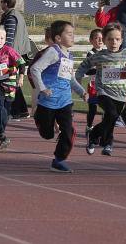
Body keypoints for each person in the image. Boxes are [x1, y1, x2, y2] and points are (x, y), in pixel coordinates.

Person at [76, 23, 126, 157]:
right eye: (110, 39)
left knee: (110, 119)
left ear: (122, 40)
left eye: (117, 39)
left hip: (120, 95)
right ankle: (99, 137)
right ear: (105, 40)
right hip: (103, 92)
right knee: (112, 115)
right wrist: (78, 81)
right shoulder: (100, 55)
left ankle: (101, 141)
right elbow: (83, 67)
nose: (114, 42)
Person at [28, 21, 86, 173]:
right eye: (69, 33)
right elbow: (35, 69)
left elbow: (70, 79)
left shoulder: (70, 56)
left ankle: (59, 160)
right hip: (48, 101)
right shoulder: (53, 52)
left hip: (65, 101)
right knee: (47, 134)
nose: (73, 36)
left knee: (69, 131)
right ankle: (39, 120)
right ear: (59, 38)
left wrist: (82, 92)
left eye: (73, 33)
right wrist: (43, 88)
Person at [0, 0, 31, 119]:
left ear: (6, 4)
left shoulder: (11, 17)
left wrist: (4, 53)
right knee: (11, 81)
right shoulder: (13, 15)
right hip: (16, 51)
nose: (0, 3)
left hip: (13, 53)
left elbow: (10, 37)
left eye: (1, 1)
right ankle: (21, 110)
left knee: (10, 81)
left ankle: (18, 110)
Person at [83, 29, 104, 136]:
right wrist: (99, 69)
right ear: (91, 40)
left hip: (105, 86)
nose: (100, 40)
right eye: (97, 38)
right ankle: (89, 126)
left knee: (107, 106)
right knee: (93, 107)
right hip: (94, 85)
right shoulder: (91, 54)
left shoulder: (107, 52)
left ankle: (105, 126)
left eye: (101, 37)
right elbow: (87, 71)